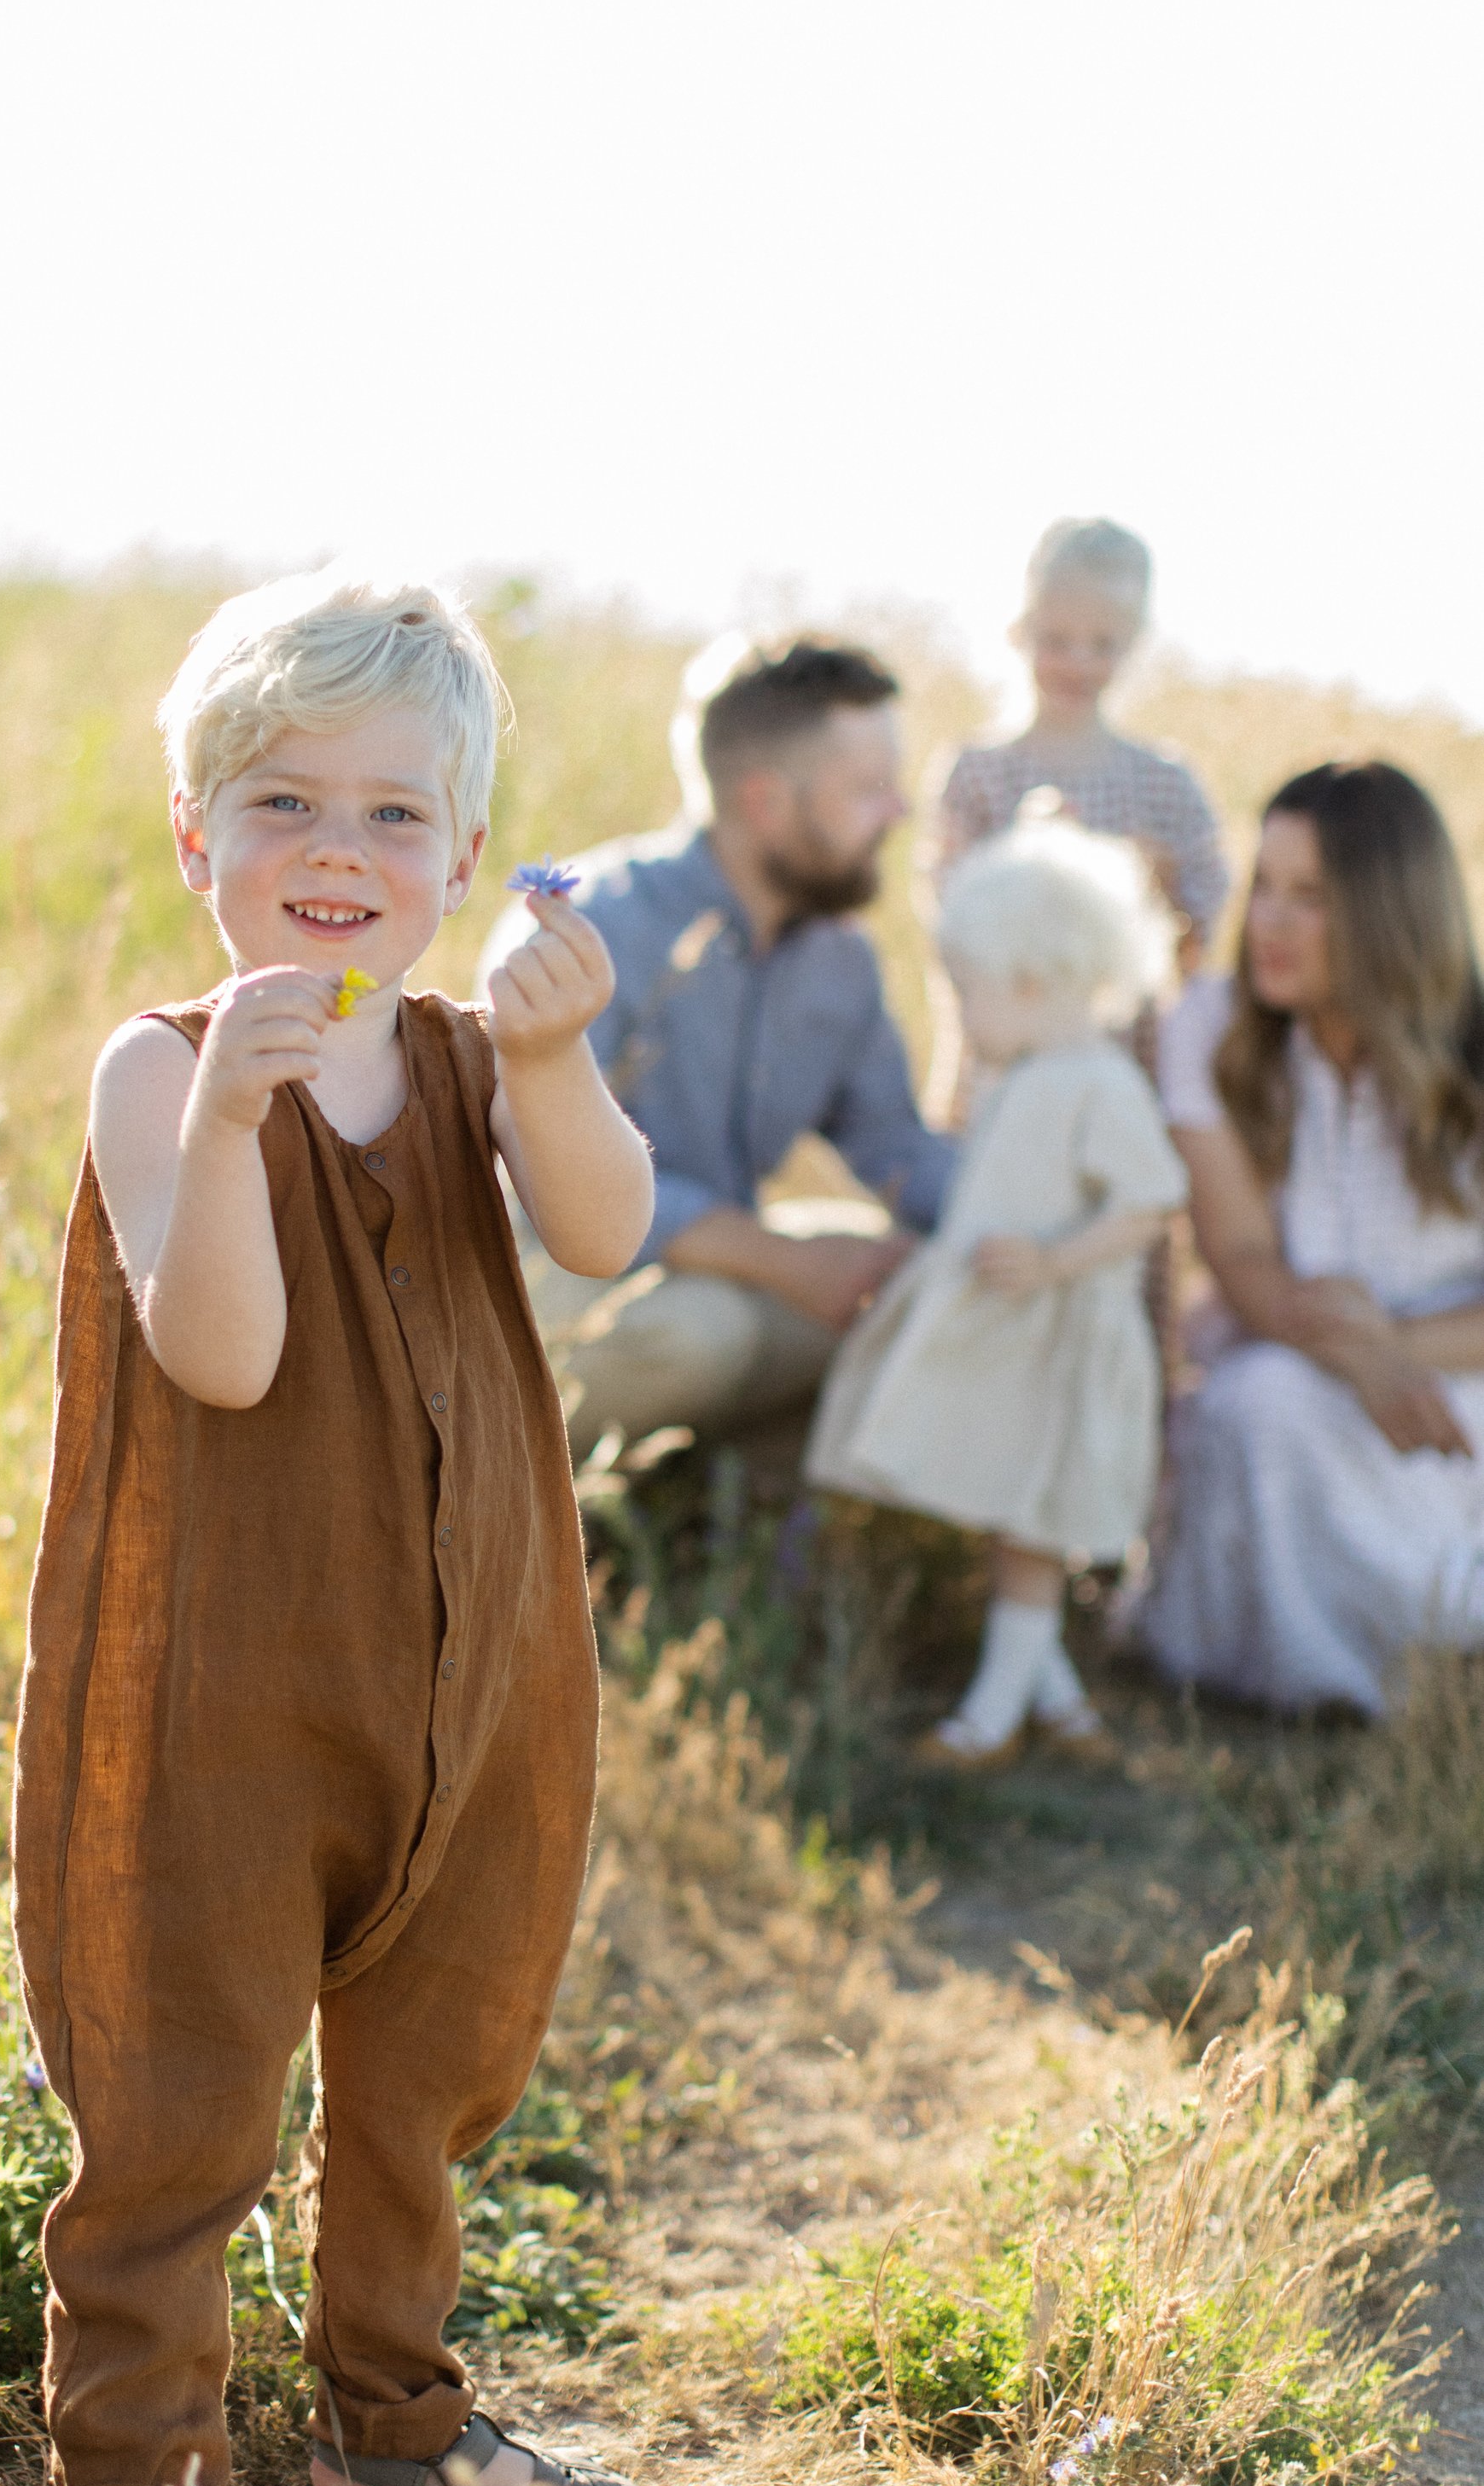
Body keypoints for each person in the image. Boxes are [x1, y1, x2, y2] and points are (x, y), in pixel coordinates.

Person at [10, 568, 660, 2486]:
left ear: (465, 858)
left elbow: (605, 1230)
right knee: (182, 2078)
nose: (336, 850)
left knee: (433, 2055)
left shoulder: (478, 1062)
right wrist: (225, 1132)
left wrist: (557, 1057)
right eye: (281, 799)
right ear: (196, 840)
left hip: (476, 1665)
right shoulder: (163, 1068)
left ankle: (395, 2430)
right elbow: (226, 1344)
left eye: (395, 814)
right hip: (227, 1690)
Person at [481, 634, 955, 1458]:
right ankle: (562, 1500)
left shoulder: (838, 957)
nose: (899, 813)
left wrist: (1024, 1217)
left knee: (914, 1278)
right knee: (708, 1333)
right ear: (767, 801)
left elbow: (894, 1148)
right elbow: (537, 1173)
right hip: (537, 1282)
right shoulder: (591, 924)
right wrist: (780, 1261)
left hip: (717, 1268)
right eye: (871, 790)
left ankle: (742, 1490)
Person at [807, 820, 1184, 1763]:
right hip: (1011, 1336)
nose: (962, 1014)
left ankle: (987, 1721)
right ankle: (1061, 1707)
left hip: (1058, 1333)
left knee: (1030, 1528)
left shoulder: (1099, 1082)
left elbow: (1150, 1203)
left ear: (1029, 979)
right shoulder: (1023, 1078)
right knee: (1013, 1518)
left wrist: (1055, 1260)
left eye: (966, 992)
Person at [1141, 762, 1484, 1715]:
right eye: (1265, 890)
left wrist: (1390, 1351)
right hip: (1284, 1356)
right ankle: (1349, 1685)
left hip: (1456, 1373)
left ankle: (1444, 1649)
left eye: (1311, 899)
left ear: (1387, 913)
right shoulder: (1210, 1026)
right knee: (1264, 1404)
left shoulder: (1474, 1047)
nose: (1269, 925)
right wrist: (1348, 1352)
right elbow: (1243, 1263)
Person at [937, 517, 1228, 954]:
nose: (1078, 663)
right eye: (1056, 640)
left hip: (1133, 1022)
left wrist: (1156, 884)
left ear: (1132, 644)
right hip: (1007, 1019)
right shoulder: (977, 774)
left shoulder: (1167, 787)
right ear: (1022, 630)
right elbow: (948, 929)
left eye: (1102, 644)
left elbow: (1198, 945)